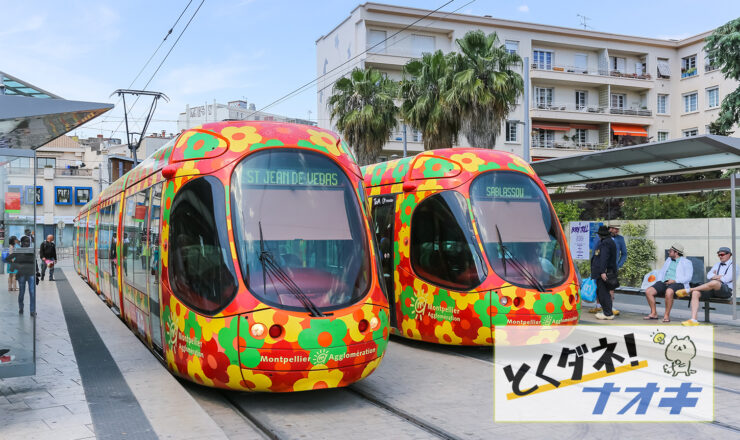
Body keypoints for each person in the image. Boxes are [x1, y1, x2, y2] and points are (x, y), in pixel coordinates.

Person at [681, 247, 738, 326]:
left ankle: (690, 289)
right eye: (719, 255)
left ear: (729, 255)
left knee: (714, 283)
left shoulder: (734, 266)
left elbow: (727, 279)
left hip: (726, 290)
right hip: (712, 288)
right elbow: (708, 275)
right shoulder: (717, 264)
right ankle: (693, 319)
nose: (720, 256)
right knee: (695, 292)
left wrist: (715, 276)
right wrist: (719, 276)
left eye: (722, 254)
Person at [643, 243, 693, 323]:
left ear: (676, 252)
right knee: (648, 291)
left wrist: (675, 280)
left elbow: (688, 278)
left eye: (670, 251)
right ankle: (653, 313)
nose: (668, 252)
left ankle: (666, 315)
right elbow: (662, 272)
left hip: (678, 283)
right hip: (664, 282)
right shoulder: (668, 260)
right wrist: (659, 281)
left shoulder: (687, 262)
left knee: (669, 292)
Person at [590, 224, 628, 315]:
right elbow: (596, 253)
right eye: (615, 229)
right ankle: (602, 307)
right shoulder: (602, 240)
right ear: (610, 229)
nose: (617, 231)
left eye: (618, 229)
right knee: (601, 290)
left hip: (607, 269)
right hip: (601, 268)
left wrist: (617, 265)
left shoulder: (612, 241)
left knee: (606, 290)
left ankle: (608, 311)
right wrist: (594, 267)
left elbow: (605, 257)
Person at [591, 225, 617, 320]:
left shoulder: (605, 243)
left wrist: (602, 272)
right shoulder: (608, 242)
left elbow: (604, 258)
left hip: (603, 272)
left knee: (603, 293)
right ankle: (607, 311)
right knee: (603, 292)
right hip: (606, 271)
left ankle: (607, 313)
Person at [9, 236, 38, 316]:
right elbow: (11, 260)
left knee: (32, 292)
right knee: (22, 292)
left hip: (31, 273)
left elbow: (34, 261)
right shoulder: (18, 251)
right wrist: (15, 266)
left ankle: (32, 310)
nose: (27, 243)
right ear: (21, 242)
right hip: (22, 273)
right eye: (25, 241)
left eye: (28, 242)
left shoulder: (31, 251)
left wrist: (37, 271)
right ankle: (21, 307)